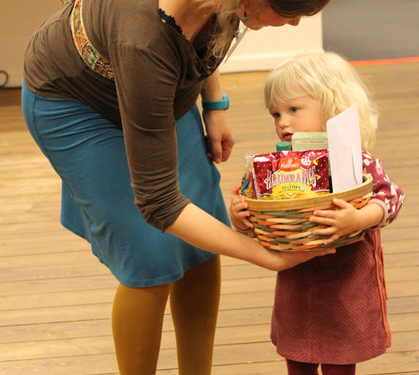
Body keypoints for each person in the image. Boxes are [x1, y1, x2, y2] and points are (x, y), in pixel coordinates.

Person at [21, 0, 334, 374]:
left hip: (161, 88)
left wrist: (214, 105)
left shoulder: (227, 4)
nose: (296, 22)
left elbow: (207, 30)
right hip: (77, 103)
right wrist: (263, 254)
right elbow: (159, 202)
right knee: (148, 254)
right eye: (288, 12)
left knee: (199, 238)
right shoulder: (143, 39)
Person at [229, 50, 405, 375]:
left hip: (346, 276)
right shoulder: (277, 167)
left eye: (293, 109)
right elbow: (251, 202)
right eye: (276, 113)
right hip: (297, 279)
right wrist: (240, 216)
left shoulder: (355, 159)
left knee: (340, 356)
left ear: (333, 105)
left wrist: (360, 218)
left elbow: (391, 196)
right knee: (297, 353)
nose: (283, 121)